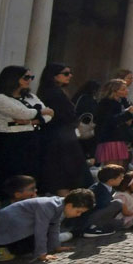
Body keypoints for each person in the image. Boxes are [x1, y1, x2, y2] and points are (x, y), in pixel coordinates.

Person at [0, 66, 52, 202]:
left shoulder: (30, 97)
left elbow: (49, 115)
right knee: (9, 176)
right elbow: (23, 113)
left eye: (31, 77)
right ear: (12, 78)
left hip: (30, 139)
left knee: (29, 174)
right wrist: (39, 114)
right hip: (9, 141)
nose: (29, 80)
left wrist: (30, 121)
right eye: (26, 77)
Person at [0, 189, 93, 261]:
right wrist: (42, 254)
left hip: (15, 227)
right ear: (70, 205)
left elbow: (54, 226)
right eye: (78, 211)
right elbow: (41, 230)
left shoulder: (58, 205)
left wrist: (56, 246)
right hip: (2, 228)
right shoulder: (49, 206)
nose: (78, 215)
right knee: (25, 248)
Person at [37, 63, 86, 196]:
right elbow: (63, 114)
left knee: (66, 173)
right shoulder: (52, 93)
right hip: (58, 138)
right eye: (65, 73)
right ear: (53, 76)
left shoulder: (57, 91)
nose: (70, 76)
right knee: (62, 173)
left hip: (63, 136)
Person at [93, 79, 133, 167]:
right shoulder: (106, 103)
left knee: (120, 168)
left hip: (122, 137)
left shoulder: (123, 102)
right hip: (110, 139)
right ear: (114, 91)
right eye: (123, 89)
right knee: (111, 167)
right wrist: (128, 114)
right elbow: (110, 121)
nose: (127, 91)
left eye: (126, 89)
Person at [79, 164, 126, 236]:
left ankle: (101, 226)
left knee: (120, 223)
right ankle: (92, 227)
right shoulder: (97, 189)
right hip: (89, 218)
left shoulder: (108, 187)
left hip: (98, 216)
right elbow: (101, 206)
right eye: (120, 177)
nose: (122, 179)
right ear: (111, 180)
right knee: (118, 203)